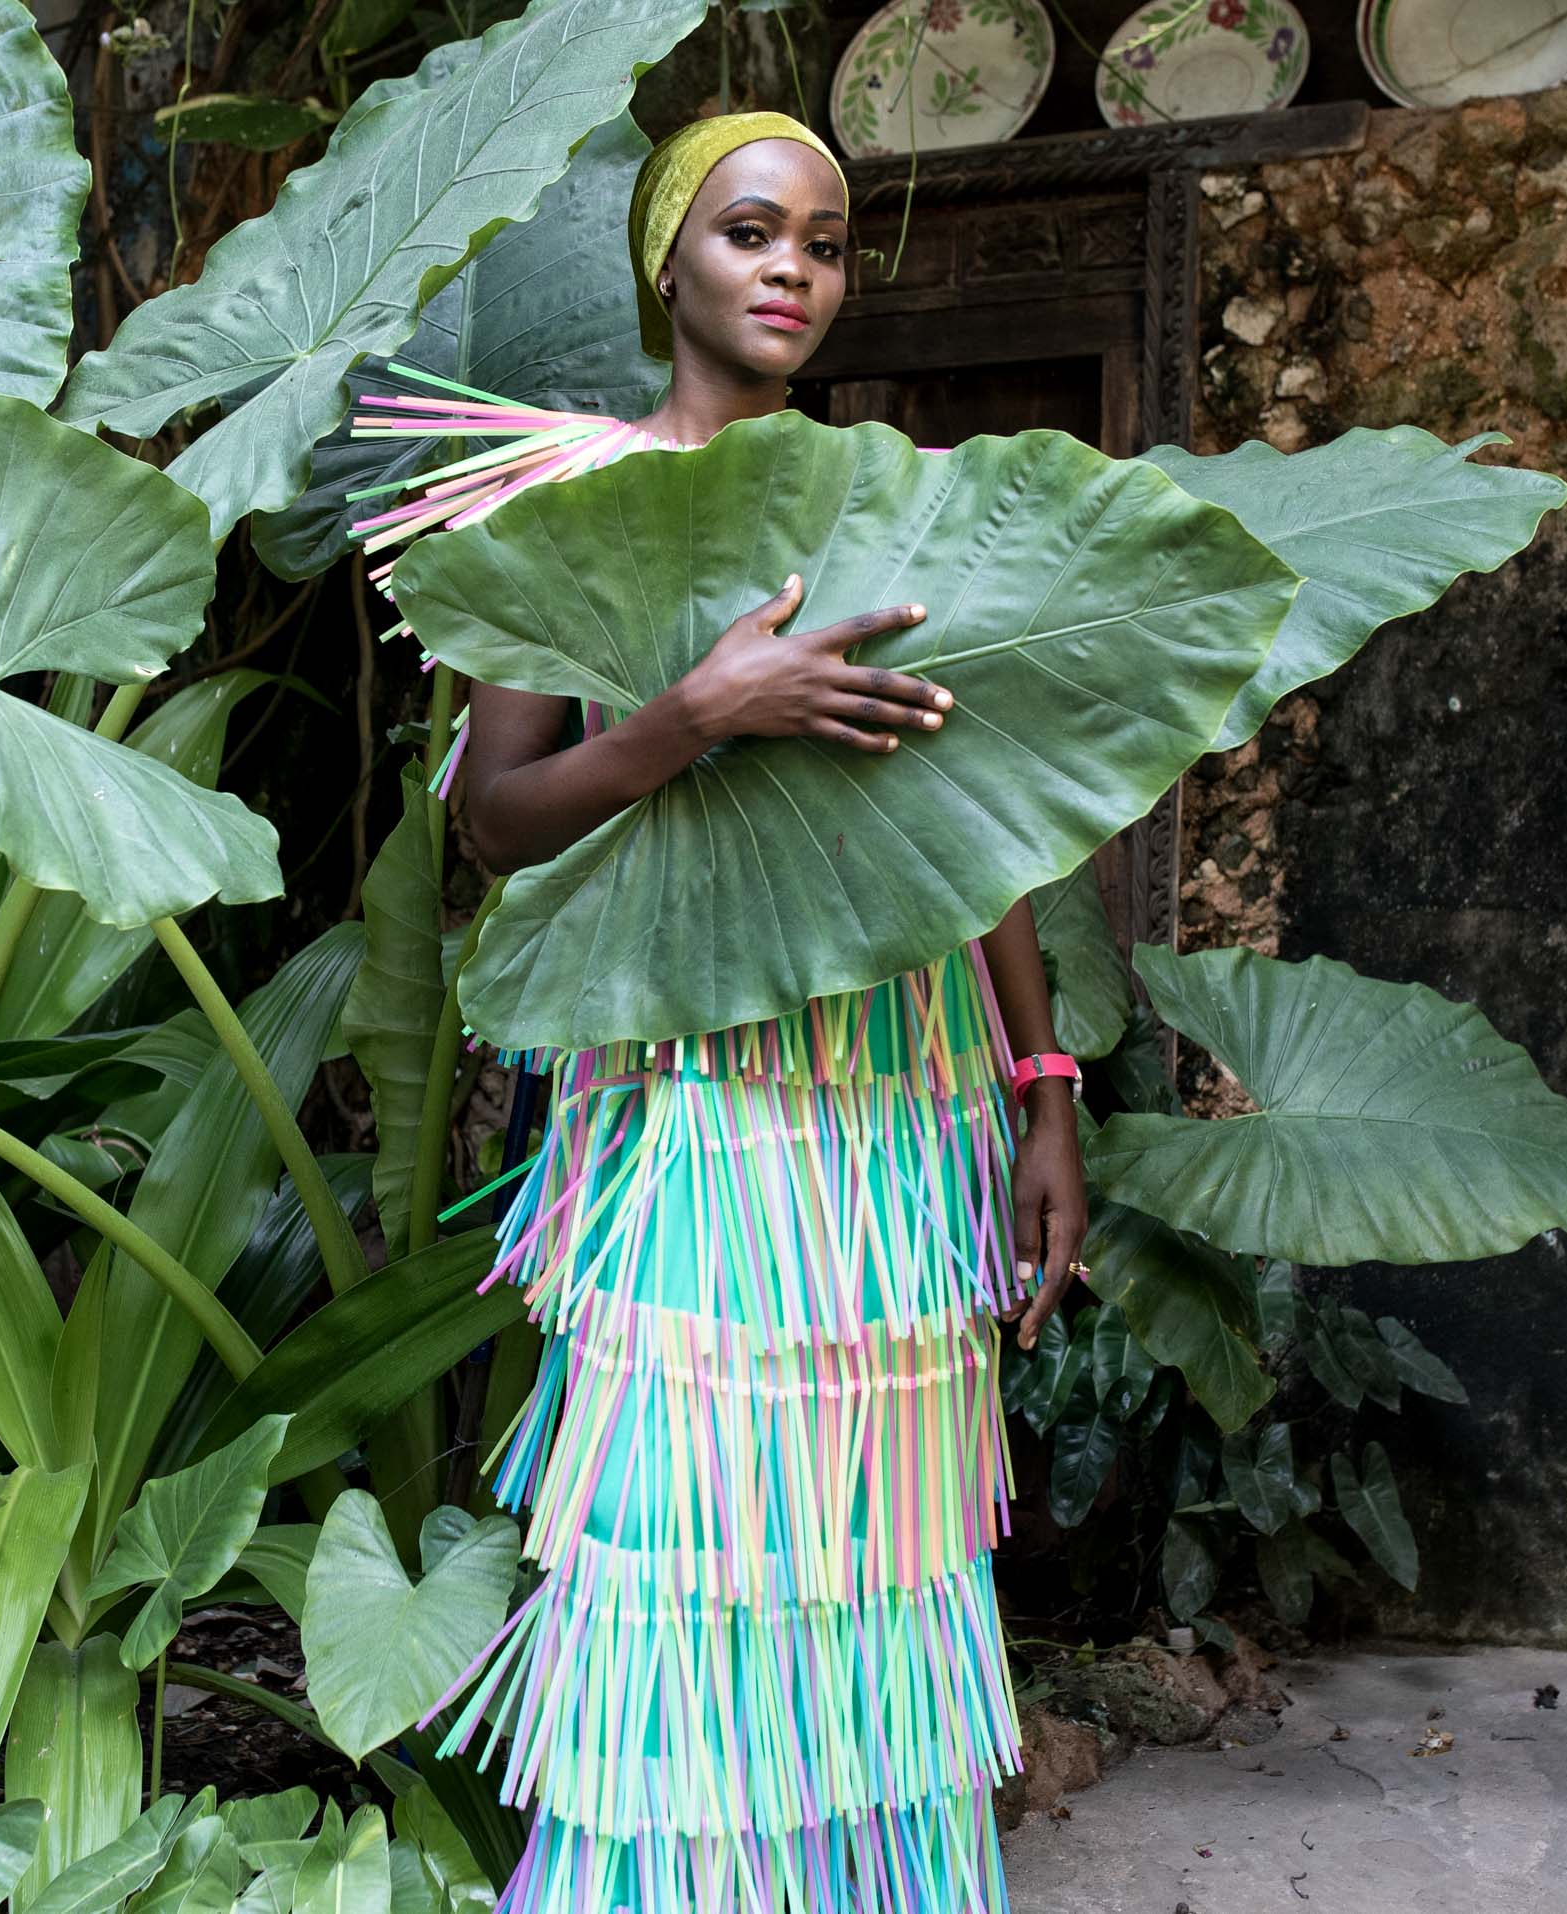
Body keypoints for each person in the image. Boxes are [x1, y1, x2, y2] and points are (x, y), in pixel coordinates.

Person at [399, 113, 1094, 1914]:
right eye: (751, 233)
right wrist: (693, 714)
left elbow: (977, 826)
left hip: (898, 1103)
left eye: (827, 243)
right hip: (697, 1112)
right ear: (667, 262)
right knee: (688, 1559)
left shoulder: (887, 502)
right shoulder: (568, 498)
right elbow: (495, 817)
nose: (792, 268)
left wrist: (1041, 1086)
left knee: (877, 1553)